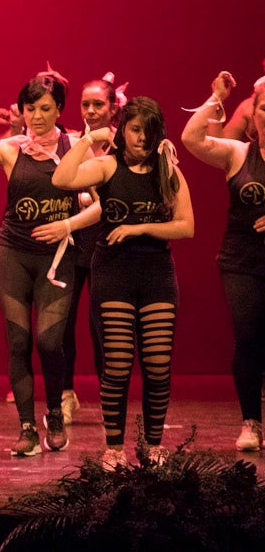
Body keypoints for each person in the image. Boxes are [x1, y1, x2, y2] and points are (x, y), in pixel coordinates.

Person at [0, 72, 98, 456]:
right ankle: (28, 428)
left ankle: (56, 413)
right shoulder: (11, 148)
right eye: (30, 109)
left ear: (60, 109)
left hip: (58, 257)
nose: (37, 116)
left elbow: (102, 204)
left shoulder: (77, 144)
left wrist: (68, 224)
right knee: (18, 341)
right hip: (13, 254)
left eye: (45, 108)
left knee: (49, 342)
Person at [53, 96, 193, 468]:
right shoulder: (108, 166)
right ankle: (113, 447)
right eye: (134, 130)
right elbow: (62, 178)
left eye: (149, 131)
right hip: (114, 272)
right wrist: (88, 139)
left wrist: (138, 228)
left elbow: (187, 225)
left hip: (156, 275)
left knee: (158, 365)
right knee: (116, 364)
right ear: (123, 131)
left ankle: (153, 444)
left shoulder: (168, 171)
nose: (142, 138)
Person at [182, 71, 264, 451]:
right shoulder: (239, 154)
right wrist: (216, 97)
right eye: (263, 108)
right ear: (253, 116)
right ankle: (251, 423)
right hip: (242, 259)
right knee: (248, 335)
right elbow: (191, 139)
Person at [60, 73, 126, 424]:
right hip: (71, 245)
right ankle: (66, 394)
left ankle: (108, 394)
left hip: (109, 243)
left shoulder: (126, 144)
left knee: (102, 326)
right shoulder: (71, 142)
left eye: (98, 104)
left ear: (114, 107)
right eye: (85, 104)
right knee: (62, 324)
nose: (90, 110)